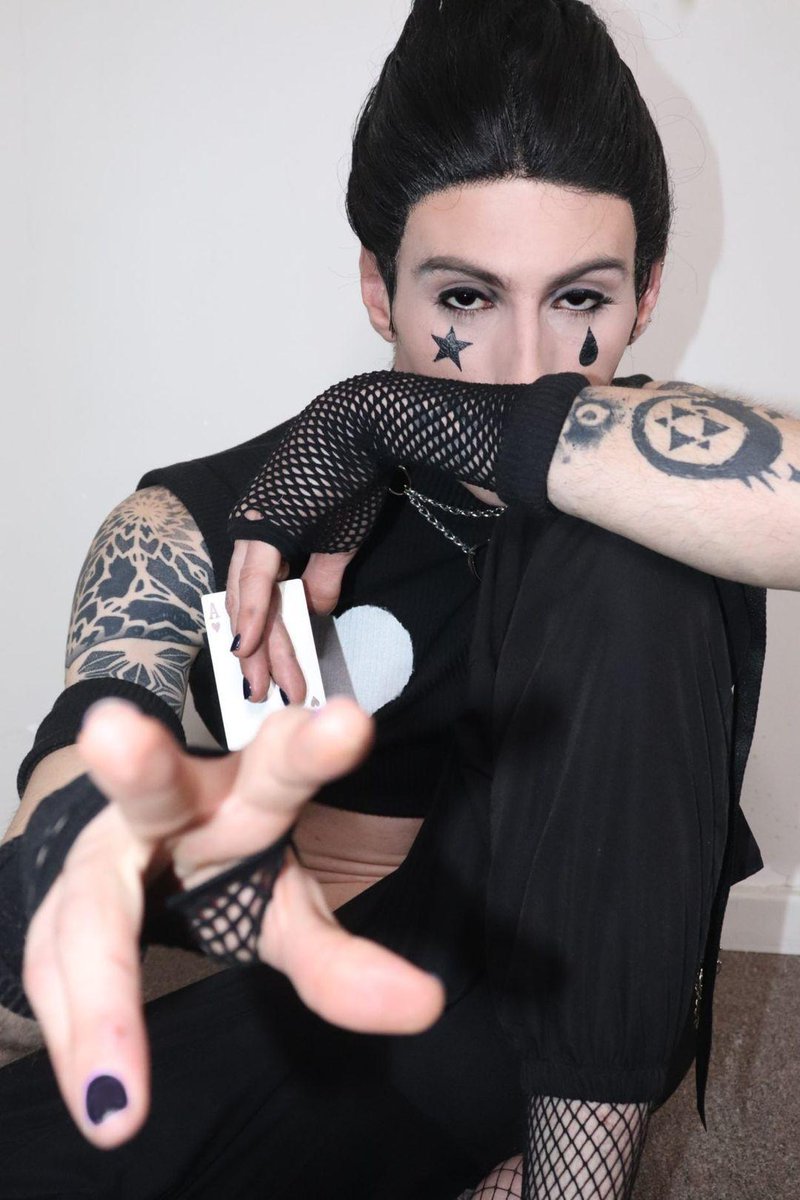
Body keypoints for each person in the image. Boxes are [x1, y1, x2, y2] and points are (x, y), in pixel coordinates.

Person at [0, 1, 792, 1196]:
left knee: (629, 547)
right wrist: (69, 848)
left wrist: (378, 411)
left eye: (578, 300)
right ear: (377, 288)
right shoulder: (216, 519)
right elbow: (96, 730)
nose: (527, 363)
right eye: (464, 299)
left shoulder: (669, 476)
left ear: (643, 296)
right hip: (347, 999)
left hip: (589, 1009)